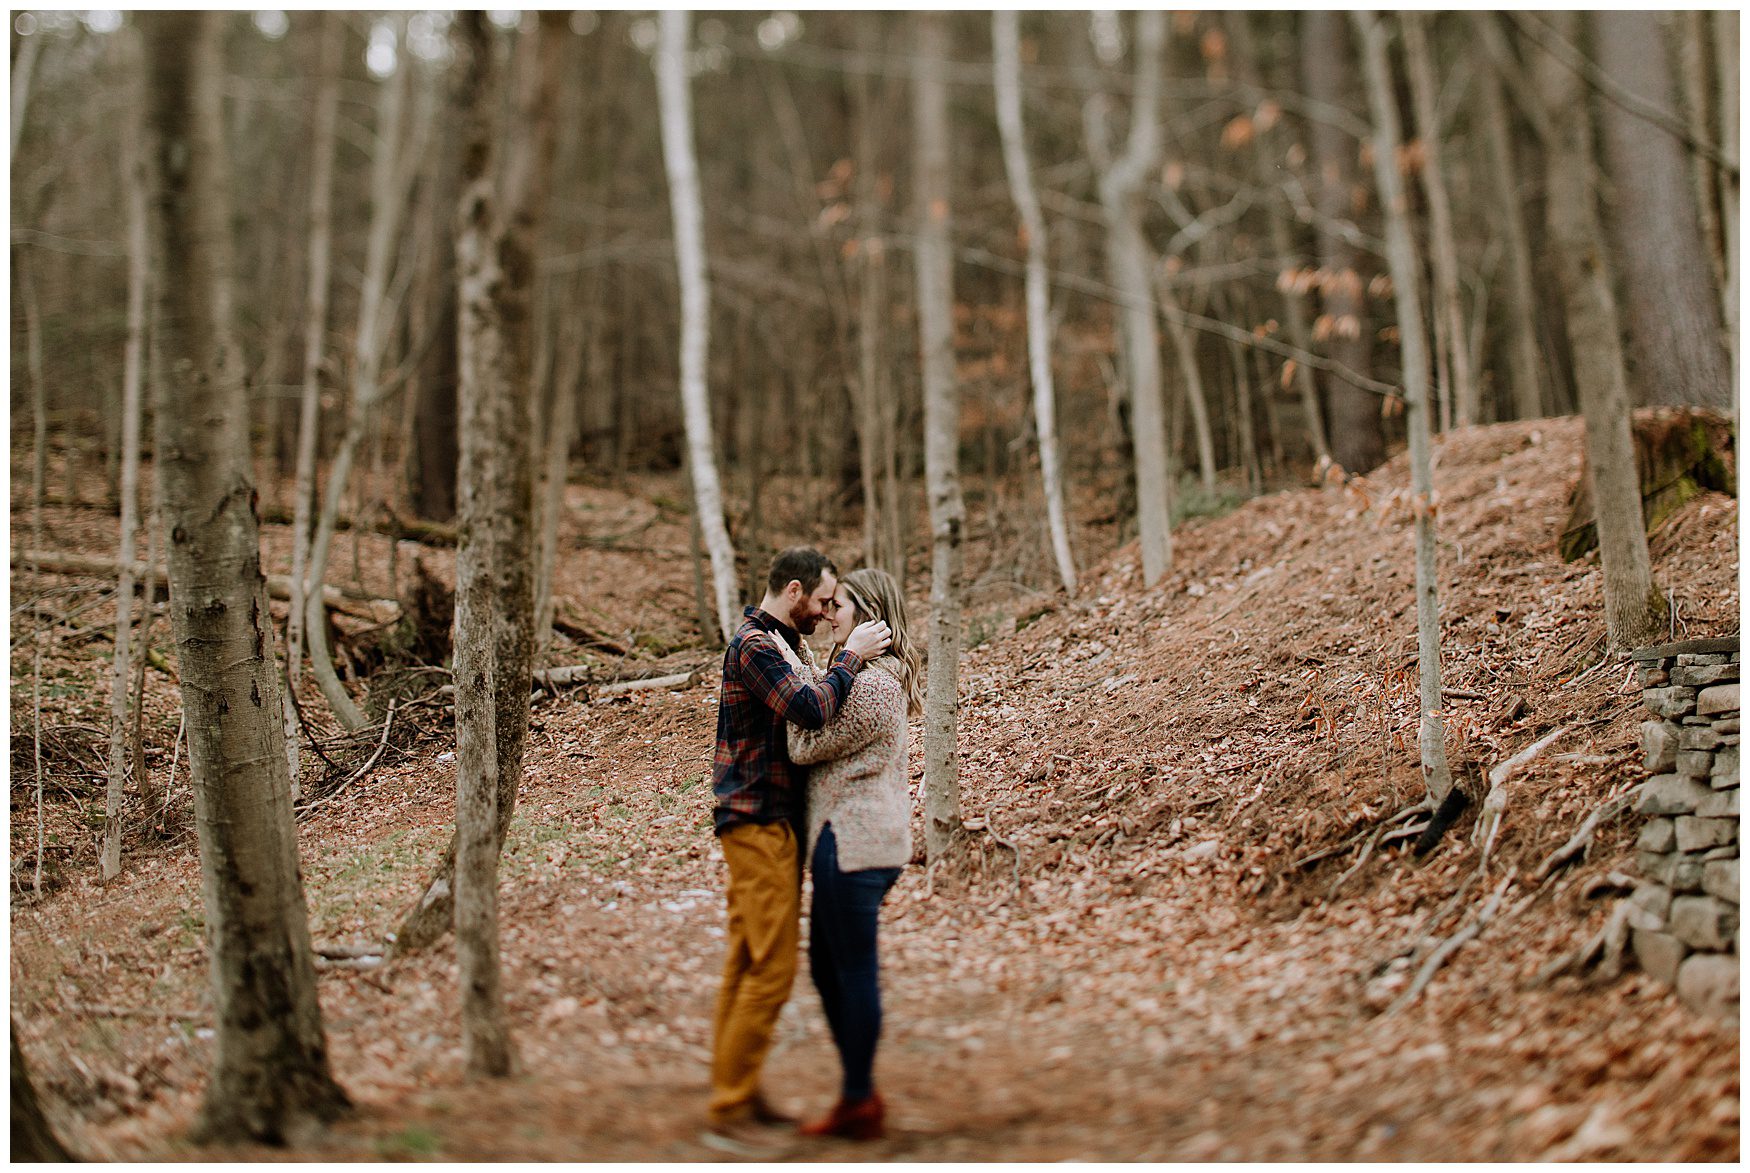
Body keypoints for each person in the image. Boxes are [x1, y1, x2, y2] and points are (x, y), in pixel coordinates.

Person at [705, 547, 891, 1153]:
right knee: (772, 966)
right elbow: (810, 710)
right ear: (793, 591)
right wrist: (850, 659)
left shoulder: (782, 644)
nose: (824, 611)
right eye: (820, 600)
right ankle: (731, 1106)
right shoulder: (756, 647)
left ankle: (737, 1086)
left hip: (769, 818)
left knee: (747, 959)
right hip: (757, 817)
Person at [787, 567, 921, 1142]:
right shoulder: (860, 677)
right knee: (825, 965)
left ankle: (860, 1098)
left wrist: (824, 677)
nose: (828, 613)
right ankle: (856, 1090)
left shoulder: (877, 685)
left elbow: (803, 742)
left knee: (853, 966)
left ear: (867, 616)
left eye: (838, 605)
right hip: (848, 838)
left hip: (857, 840)